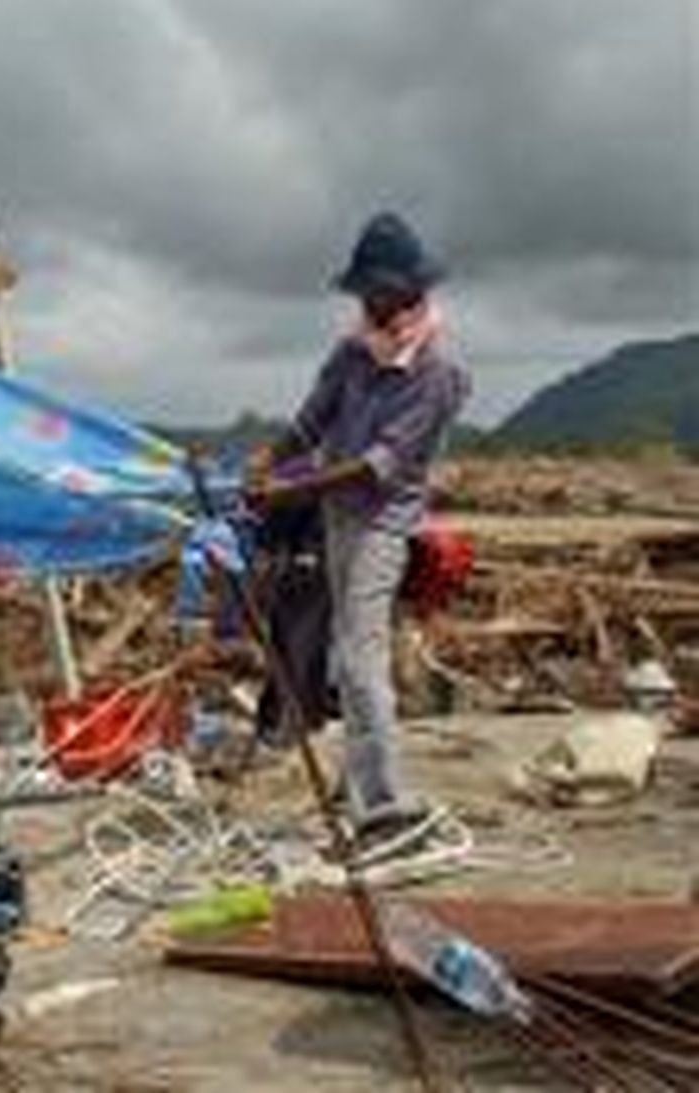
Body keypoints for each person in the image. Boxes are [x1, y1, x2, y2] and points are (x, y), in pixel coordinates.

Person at [248, 211, 469, 864]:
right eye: (364, 293)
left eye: (378, 292)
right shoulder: (353, 351)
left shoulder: (436, 372)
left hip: (380, 523)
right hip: (336, 516)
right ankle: (359, 786)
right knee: (341, 648)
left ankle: (384, 807)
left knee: (359, 660)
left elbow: (380, 463)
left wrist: (290, 488)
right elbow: (312, 420)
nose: (369, 303)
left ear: (408, 292)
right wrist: (272, 455)